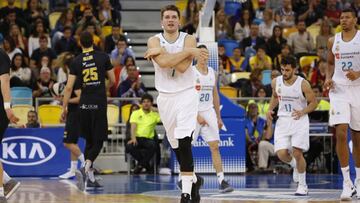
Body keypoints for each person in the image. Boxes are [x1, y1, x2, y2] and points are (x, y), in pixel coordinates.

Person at [144, 5, 208, 203]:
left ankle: (185, 193)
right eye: (167, 17)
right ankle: (194, 180)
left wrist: (164, 53)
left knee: (184, 139)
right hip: (165, 96)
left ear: (179, 21)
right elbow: (163, 64)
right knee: (175, 144)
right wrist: (189, 52)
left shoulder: (188, 38)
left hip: (187, 93)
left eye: (174, 17)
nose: (170, 20)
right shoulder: (153, 40)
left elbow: (181, 67)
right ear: (162, 21)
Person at [62, 31, 115, 191]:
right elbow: (112, 80)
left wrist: (63, 107)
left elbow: (69, 87)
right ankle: (86, 166)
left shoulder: (76, 61)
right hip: (98, 102)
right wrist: (103, 88)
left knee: (90, 140)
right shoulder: (103, 57)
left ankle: (89, 174)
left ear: (80, 43)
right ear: (94, 41)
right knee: (98, 140)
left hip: (83, 104)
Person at [266, 56, 317, 196]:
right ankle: (295, 165)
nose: (284, 73)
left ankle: (302, 185)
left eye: (287, 70)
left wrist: (302, 111)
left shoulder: (303, 84)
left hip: (299, 120)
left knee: (297, 152)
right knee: (281, 154)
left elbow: (313, 102)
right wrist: (270, 109)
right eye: (282, 69)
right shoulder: (275, 82)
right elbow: (275, 96)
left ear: (294, 69)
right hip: (283, 120)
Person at [186, 45, 233, 193]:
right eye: (201, 53)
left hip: (209, 111)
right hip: (193, 113)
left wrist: (218, 117)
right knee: (186, 148)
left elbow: (215, 95)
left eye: (206, 53)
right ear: (196, 56)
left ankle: (221, 180)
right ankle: (186, 179)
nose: (204, 56)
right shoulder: (191, 72)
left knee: (215, 146)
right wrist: (197, 115)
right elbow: (187, 96)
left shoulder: (212, 72)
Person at [324, 8, 360, 201]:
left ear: (355, 19)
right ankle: (347, 183)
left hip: (358, 89)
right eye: (341, 17)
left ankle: (359, 181)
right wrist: (328, 78)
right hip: (339, 90)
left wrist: (358, 73)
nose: (343, 20)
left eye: (347, 17)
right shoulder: (333, 41)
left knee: (357, 136)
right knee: (340, 132)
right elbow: (330, 63)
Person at [58, 57, 86, 180]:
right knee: (72, 142)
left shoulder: (75, 79)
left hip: (76, 113)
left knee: (67, 142)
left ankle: (86, 163)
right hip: (75, 112)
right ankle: (73, 170)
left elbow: (81, 97)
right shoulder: (78, 77)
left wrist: (65, 101)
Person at [0, 49, 20, 202]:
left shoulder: (1, 55)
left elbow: (5, 81)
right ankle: (7, 181)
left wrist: (7, 107)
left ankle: (1, 190)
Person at [126, 94, 161, 174]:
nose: (146, 103)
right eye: (144, 102)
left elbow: (165, 114)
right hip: (137, 138)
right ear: (141, 103)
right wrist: (133, 138)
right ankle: (146, 166)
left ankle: (140, 166)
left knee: (153, 146)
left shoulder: (155, 115)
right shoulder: (136, 113)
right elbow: (133, 126)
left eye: (148, 102)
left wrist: (155, 109)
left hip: (148, 139)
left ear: (151, 103)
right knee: (129, 146)